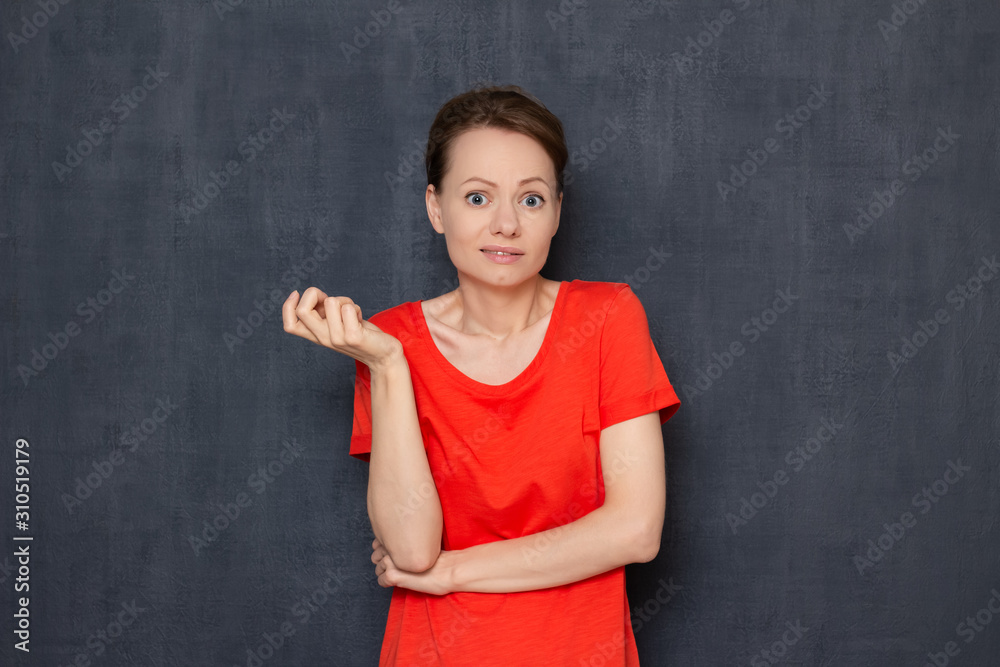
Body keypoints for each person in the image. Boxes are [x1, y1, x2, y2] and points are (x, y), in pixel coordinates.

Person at [282, 84, 681, 666]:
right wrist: (388, 365)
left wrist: (454, 571)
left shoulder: (607, 318)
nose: (506, 225)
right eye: (476, 198)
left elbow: (636, 530)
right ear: (435, 208)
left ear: (557, 213)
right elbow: (412, 552)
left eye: (531, 199)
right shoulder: (390, 341)